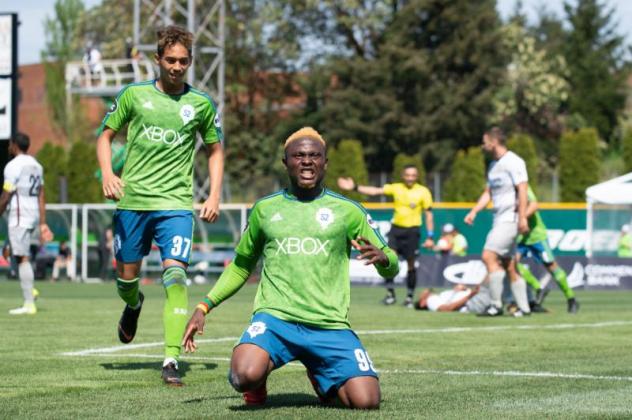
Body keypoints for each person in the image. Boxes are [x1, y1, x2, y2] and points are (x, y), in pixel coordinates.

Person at [182, 128, 399, 409]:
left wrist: (385, 259)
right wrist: (204, 306)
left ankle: (319, 372)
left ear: (325, 162)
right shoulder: (265, 209)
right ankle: (257, 388)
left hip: (329, 325)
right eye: (298, 155)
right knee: (244, 375)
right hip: (276, 321)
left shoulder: (349, 211)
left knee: (366, 402)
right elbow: (241, 266)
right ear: (286, 162)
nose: (307, 161)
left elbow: (392, 265)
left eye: (314, 156)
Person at [96, 25, 224, 386]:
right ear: (158, 60)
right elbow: (105, 137)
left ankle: (171, 359)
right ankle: (134, 304)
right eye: (170, 60)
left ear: (190, 62)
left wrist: (213, 195)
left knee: (176, 276)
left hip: (176, 205)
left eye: (183, 60)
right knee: (126, 280)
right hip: (133, 203)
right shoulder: (133, 96)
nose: (177, 66)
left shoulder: (200, 103)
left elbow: (215, 150)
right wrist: (108, 173)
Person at [337, 165, 434, 308]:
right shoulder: (397, 188)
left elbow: (429, 214)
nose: (410, 178)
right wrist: (355, 187)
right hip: (396, 230)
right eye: (408, 175)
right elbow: (376, 191)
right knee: (390, 259)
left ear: (417, 176)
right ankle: (390, 295)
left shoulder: (423, 191)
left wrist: (430, 236)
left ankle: (409, 297)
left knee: (411, 265)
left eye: (413, 175)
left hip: (413, 231)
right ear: (403, 175)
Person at [464, 127, 531, 317]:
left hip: (510, 218)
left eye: (484, 141)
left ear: (493, 142)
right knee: (509, 265)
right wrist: (474, 211)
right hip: (498, 218)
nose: (483, 145)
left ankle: (495, 305)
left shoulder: (514, 161)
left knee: (488, 256)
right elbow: (488, 193)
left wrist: (523, 217)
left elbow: (523, 190)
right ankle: (524, 308)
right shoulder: (493, 165)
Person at [0, 132, 53, 315]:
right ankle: (30, 289)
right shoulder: (37, 165)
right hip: (32, 216)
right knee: (8, 251)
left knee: (22, 258)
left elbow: (6, 195)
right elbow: (41, 194)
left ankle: (29, 303)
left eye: (10, 144)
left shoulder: (13, 166)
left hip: (19, 216)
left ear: (14, 145)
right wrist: (43, 222)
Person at [515, 185, 579, 313]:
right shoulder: (506, 190)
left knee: (551, 267)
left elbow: (534, 205)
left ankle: (571, 299)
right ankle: (538, 288)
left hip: (537, 236)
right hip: (521, 237)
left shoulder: (523, 187)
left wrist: (522, 218)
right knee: (512, 264)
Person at [415, 284, 489, 313]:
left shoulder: (440, 296)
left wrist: (464, 288)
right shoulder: (430, 300)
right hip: (473, 302)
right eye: (420, 296)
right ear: (422, 304)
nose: (420, 293)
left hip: (475, 297)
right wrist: (470, 295)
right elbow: (447, 309)